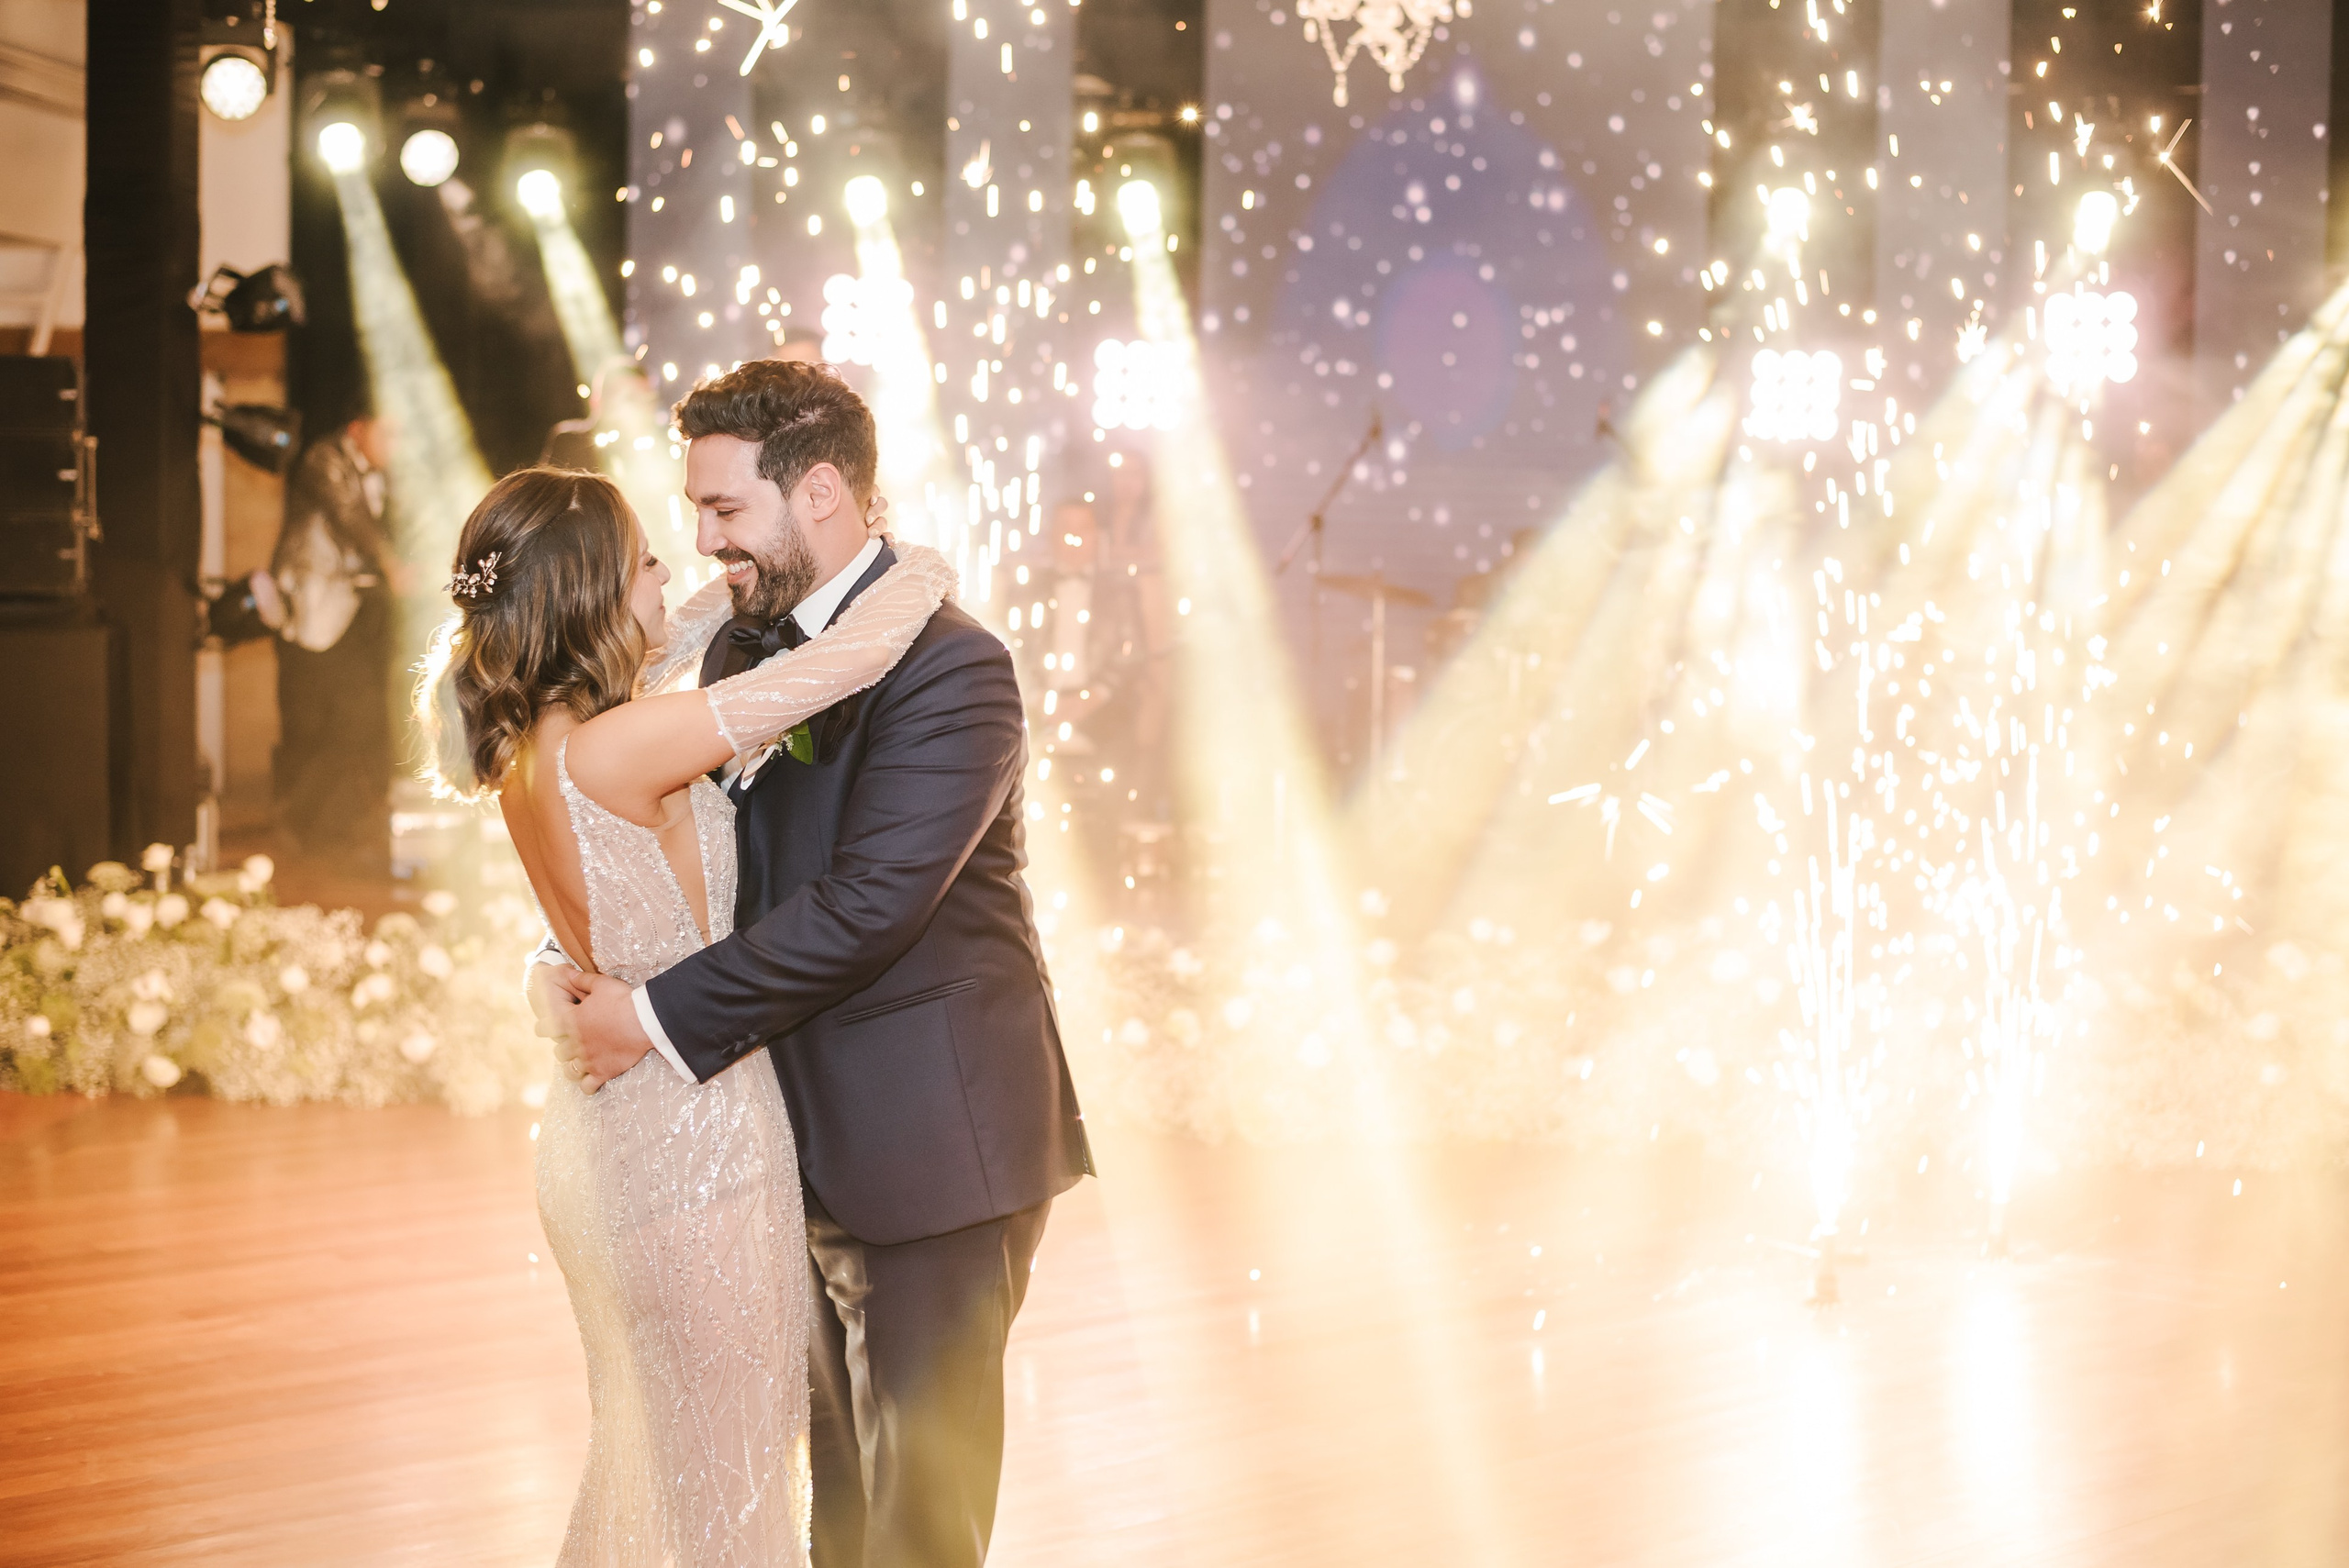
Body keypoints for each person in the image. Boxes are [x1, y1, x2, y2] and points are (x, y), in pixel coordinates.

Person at [551, 359, 1094, 1568]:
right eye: (694, 513)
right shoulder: (748, 648)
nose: (704, 542)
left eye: (727, 510)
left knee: (917, 1519)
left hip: (933, 1144)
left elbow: (870, 906)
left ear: (826, 495)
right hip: (789, 1135)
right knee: (837, 1504)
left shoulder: (955, 667)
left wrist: (646, 1016)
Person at [419, 464, 957, 1565]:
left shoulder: (540, 742)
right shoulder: (625, 743)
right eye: (647, 559)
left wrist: (729, 578)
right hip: (695, 1145)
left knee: (654, 1464)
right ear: (597, 594)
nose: (676, 566)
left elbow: (698, 617)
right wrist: (918, 565)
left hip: (605, 1139)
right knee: (732, 1486)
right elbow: (843, 662)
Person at [273, 406, 400, 874]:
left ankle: (331, 830)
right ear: (357, 427)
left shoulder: (381, 474)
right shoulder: (322, 459)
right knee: (314, 723)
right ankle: (300, 828)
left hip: (352, 612)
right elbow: (348, 515)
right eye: (388, 433)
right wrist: (392, 565)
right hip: (311, 609)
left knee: (357, 720)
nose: (396, 445)